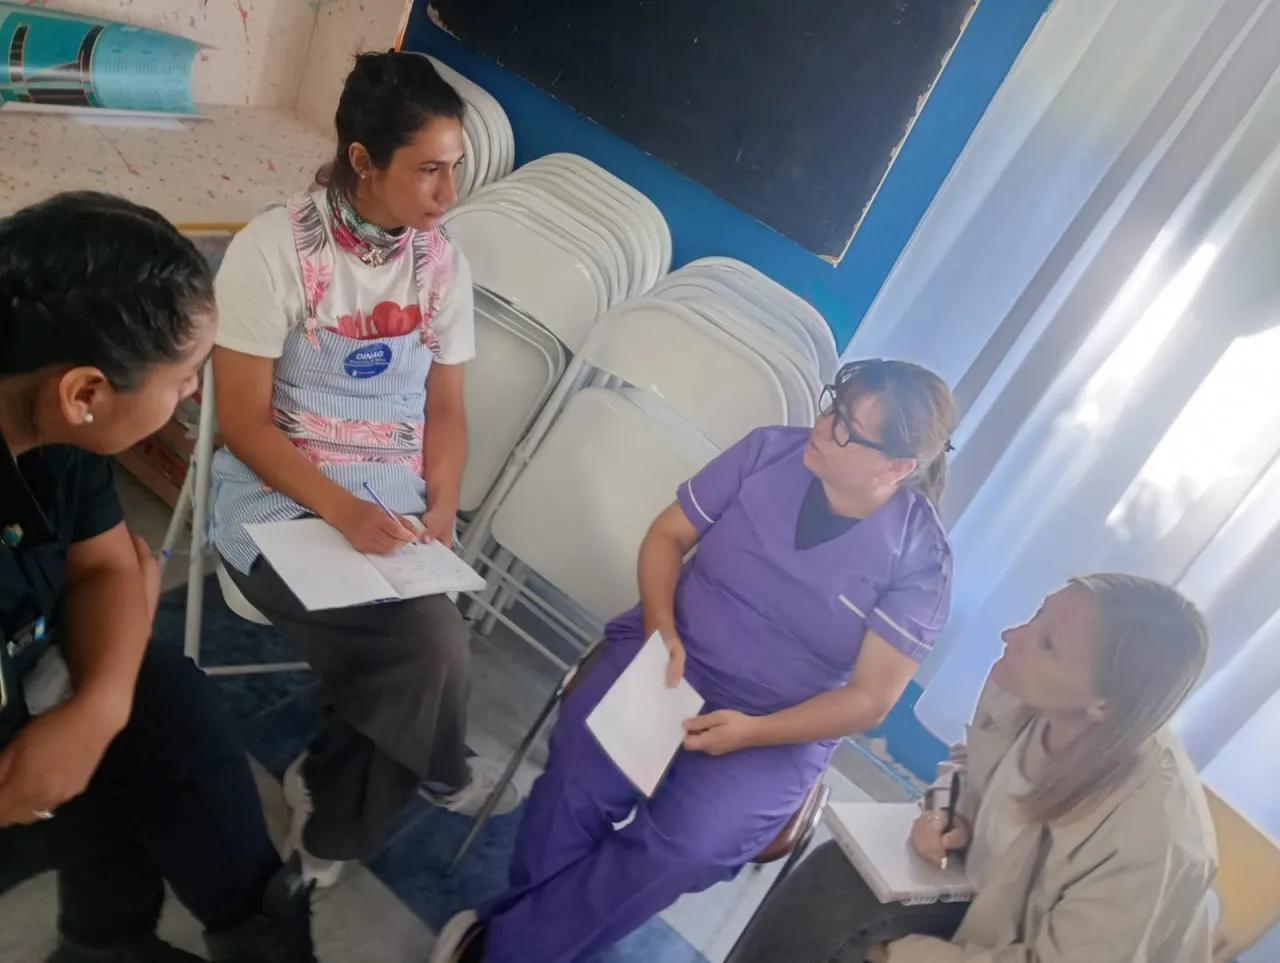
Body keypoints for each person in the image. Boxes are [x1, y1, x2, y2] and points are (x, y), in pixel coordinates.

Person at [433, 359, 961, 962]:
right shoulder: (767, 453)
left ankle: (506, 942)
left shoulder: (921, 562)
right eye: (831, 407)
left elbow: (868, 700)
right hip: (675, 656)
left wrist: (754, 731)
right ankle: (525, 946)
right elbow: (667, 537)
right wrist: (661, 628)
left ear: (896, 468)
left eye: (846, 427)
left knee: (689, 845)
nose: (821, 425)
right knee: (577, 784)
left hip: (778, 725)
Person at [208, 50, 516, 888]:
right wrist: (343, 512)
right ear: (361, 160)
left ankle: (335, 785)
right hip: (277, 499)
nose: (448, 194)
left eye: (455, 168)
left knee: (415, 650)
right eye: (428, 170)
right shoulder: (273, 250)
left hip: (392, 502)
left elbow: (445, 410)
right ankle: (371, 808)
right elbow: (243, 424)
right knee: (428, 649)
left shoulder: (441, 264)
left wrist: (442, 509)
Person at [0, 192, 315, 962]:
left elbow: (108, 563)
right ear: (85, 392)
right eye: (183, 378)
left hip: (31, 690)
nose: (193, 395)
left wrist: (100, 708)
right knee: (141, 785)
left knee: (166, 702)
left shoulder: (44, 416)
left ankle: (123, 944)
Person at [729, 573, 1217, 963]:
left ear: (1103, 705)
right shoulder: (1022, 684)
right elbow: (970, 759)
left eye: (1047, 643)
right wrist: (943, 812)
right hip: (984, 895)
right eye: (1037, 616)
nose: (1012, 636)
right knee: (833, 878)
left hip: (1043, 945)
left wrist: (902, 956)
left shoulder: (1152, 840)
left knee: (842, 925)